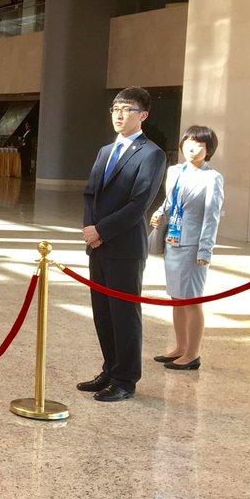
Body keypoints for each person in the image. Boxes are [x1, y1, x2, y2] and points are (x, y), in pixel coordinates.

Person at [78, 87, 167, 403]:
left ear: (143, 115)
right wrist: (90, 228)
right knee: (103, 313)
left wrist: (101, 230)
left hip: (125, 248)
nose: (119, 114)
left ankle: (125, 380)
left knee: (124, 314)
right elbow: (90, 193)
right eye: (115, 108)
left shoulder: (151, 154)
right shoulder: (105, 151)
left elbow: (139, 203)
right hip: (98, 245)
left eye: (127, 109)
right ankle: (110, 370)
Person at [150, 126, 225, 370]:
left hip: (193, 246)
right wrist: (159, 213)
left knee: (192, 300)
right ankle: (180, 347)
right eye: (189, 142)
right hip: (173, 240)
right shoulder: (175, 171)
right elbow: (170, 201)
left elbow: (211, 217)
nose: (193, 148)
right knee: (176, 298)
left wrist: (205, 249)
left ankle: (193, 353)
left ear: (208, 150)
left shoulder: (212, 178)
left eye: (200, 144)